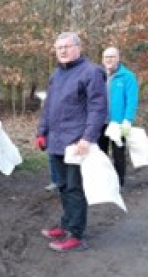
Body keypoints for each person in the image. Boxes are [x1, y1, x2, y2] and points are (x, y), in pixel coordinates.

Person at [35, 31, 107, 252]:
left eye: (67, 46)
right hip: (56, 140)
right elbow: (49, 107)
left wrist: (88, 137)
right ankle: (66, 223)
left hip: (76, 142)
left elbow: (98, 108)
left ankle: (76, 234)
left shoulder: (91, 72)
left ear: (78, 47)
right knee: (63, 185)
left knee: (75, 187)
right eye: (59, 48)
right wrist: (42, 131)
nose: (63, 51)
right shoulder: (56, 75)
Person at [98, 47, 138, 187]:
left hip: (118, 124)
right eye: (106, 57)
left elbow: (132, 100)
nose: (109, 59)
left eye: (112, 56)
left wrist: (128, 120)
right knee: (100, 154)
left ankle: (118, 182)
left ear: (118, 58)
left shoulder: (128, 76)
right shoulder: (98, 75)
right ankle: (103, 181)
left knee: (118, 155)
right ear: (102, 59)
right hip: (99, 122)